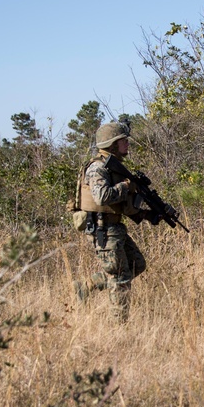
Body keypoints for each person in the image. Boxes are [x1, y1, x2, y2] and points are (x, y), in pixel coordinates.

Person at [73, 121, 162, 321]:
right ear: (113, 144)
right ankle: (118, 325)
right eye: (124, 141)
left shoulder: (115, 168)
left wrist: (146, 214)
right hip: (102, 229)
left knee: (136, 264)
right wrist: (127, 185)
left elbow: (122, 204)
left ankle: (85, 287)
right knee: (120, 276)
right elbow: (103, 197)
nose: (127, 144)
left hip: (114, 227)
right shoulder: (97, 168)